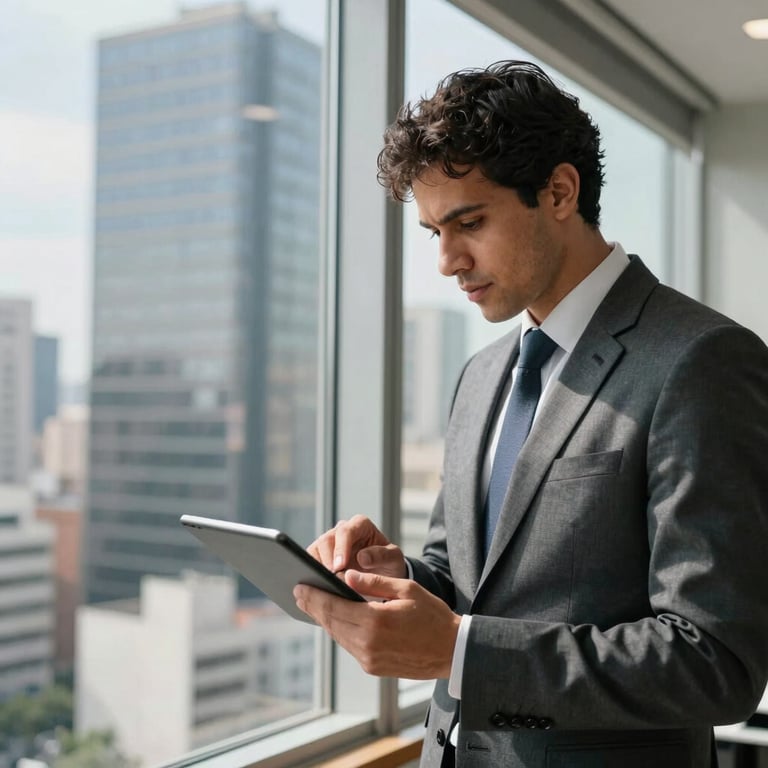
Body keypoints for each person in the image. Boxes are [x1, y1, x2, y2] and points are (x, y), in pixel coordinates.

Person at [292, 60, 768, 768]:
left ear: (559, 191)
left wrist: (458, 650)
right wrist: (395, 577)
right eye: (433, 233)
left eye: (469, 222)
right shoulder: (481, 377)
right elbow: (469, 585)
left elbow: (715, 662)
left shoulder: (701, 361)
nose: (449, 261)